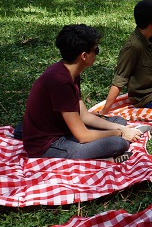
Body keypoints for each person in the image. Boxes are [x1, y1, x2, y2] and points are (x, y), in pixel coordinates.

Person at [22, 24, 142, 161]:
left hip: (66, 131)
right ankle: (102, 157)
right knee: (118, 143)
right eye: (96, 50)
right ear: (84, 56)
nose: (97, 53)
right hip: (48, 145)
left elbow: (84, 116)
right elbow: (82, 136)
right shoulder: (60, 82)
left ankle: (102, 154)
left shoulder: (71, 73)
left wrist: (120, 127)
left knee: (119, 120)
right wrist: (120, 133)